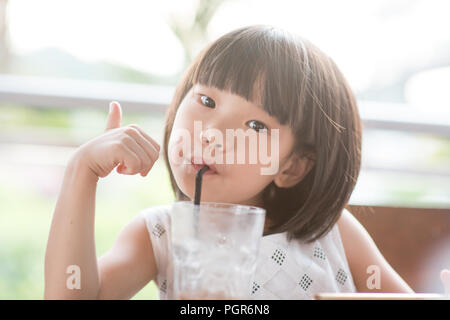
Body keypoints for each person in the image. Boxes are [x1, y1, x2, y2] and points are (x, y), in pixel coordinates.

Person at [45, 25, 415, 299]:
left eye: (255, 124)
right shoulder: (160, 235)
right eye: (206, 102)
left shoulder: (331, 232)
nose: (212, 133)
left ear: (292, 167)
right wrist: (82, 171)